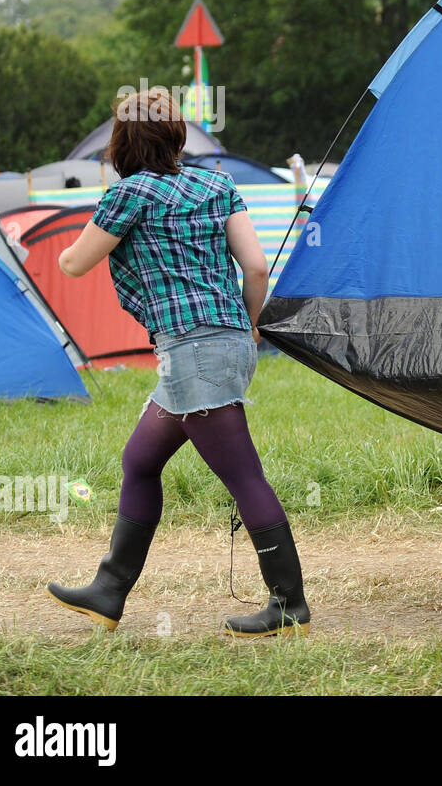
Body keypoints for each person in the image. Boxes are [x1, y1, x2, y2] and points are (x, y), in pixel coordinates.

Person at [46, 87, 310, 637]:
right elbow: (257, 267)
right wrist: (251, 322)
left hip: (191, 350)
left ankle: (289, 605)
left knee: (243, 475)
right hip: (225, 342)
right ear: (177, 135)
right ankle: (109, 590)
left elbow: (73, 265)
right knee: (140, 460)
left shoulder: (130, 196)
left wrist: (74, 244)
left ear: (120, 143)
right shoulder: (218, 183)